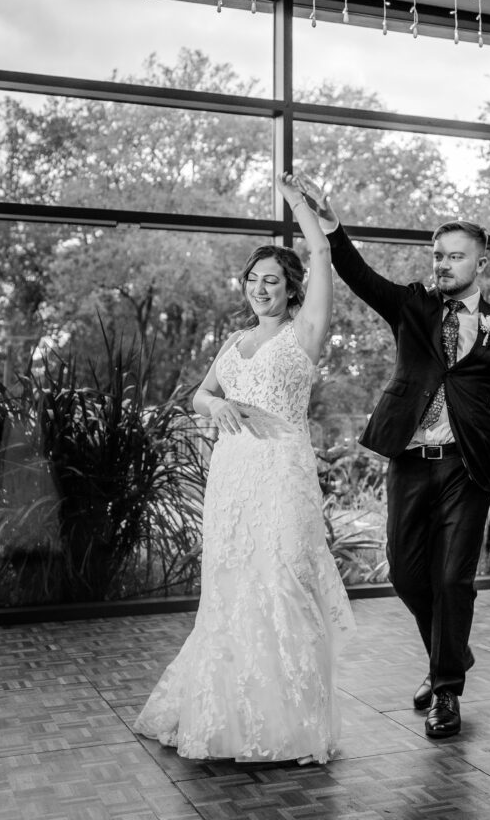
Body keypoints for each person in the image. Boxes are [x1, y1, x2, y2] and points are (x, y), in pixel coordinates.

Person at [296, 173, 490, 740]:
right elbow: (358, 276)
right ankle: (451, 655)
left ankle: (445, 690)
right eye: (437, 255)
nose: (442, 264)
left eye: (455, 257)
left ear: (480, 264)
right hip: (410, 458)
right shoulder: (412, 305)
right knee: (409, 575)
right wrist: (332, 225)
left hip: (466, 466)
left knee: (453, 578)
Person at [134, 174, 355, 764]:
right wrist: (220, 403)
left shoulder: (305, 333)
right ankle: (226, 714)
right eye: (253, 280)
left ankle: (290, 723)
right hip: (231, 479)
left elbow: (324, 251)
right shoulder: (233, 340)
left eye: (273, 280)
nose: (261, 288)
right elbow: (199, 398)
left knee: (281, 583)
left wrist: (299, 207)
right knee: (231, 588)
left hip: (281, 474)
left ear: (292, 289)